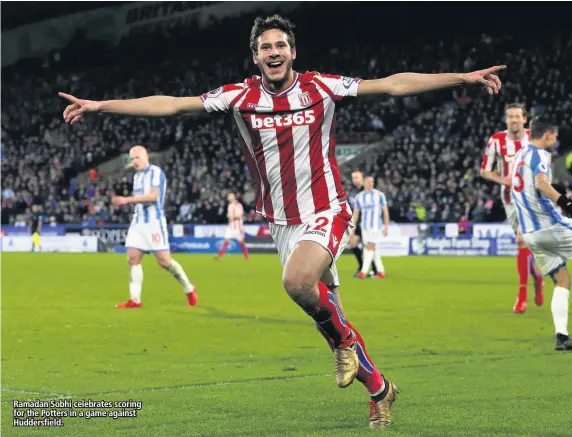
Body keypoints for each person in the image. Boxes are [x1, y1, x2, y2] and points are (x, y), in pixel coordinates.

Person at [59, 14, 504, 428]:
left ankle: (347, 344)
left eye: (281, 45)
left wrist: (462, 78)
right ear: (255, 57)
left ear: (293, 52)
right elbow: (172, 105)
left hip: (328, 208)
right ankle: (380, 389)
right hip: (282, 222)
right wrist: (101, 106)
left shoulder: (321, 86)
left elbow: (391, 85)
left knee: (297, 283)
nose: (273, 52)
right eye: (265, 47)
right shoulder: (241, 96)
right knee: (325, 313)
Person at [510, 116, 572, 350]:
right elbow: (540, 183)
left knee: (562, 279)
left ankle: (562, 337)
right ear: (547, 134)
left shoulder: (519, 156)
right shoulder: (540, 155)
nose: (555, 140)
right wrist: (567, 204)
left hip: (531, 235)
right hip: (550, 226)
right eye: (555, 136)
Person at [112, 146, 198, 309]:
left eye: (137, 157)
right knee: (132, 259)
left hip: (154, 224)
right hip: (138, 223)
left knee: (165, 262)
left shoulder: (156, 172)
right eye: (132, 159)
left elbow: (153, 197)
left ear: (146, 156)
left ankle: (189, 287)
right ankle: (135, 300)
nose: (134, 161)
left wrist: (127, 200)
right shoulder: (137, 177)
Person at [480, 103, 544, 313]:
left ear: (525, 119)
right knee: (525, 247)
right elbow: (484, 171)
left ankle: (522, 296)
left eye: (518, 116)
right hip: (509, 198)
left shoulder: (533, 137)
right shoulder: (496, 141)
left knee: (521, 240)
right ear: (506, 119)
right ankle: (538, 279)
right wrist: (503, 180)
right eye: (510, 117)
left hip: (531, 197)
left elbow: (543, 163)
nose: (514, 120)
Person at [352, 176, 389, 279]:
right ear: (364, 182)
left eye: (372, 182)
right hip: (364, 227)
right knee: (372, 249)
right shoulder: (359, 197)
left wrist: (386, 226)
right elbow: (356, 213)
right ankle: (381, 271)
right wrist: (353, 227)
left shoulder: (379, 195)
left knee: (369, 247)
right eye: (368, 181)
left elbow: (385, 211)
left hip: (375, 227)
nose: (371, 183)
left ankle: (363, 272)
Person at [348, 170, 377, 277]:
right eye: (353, 178)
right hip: (357, 223)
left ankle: (374, 269)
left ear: (362, 178)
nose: (354, 180)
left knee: (368, 246)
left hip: (366, 223)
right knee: (353, 245)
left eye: (356, 177)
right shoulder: (354, 191)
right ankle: (362, 267)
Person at [216, 193, 249, 259]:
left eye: (230, 197)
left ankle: (246, 256)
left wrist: (230, 216)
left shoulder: (238, 205)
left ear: (233, 197)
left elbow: (239, 216)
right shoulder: (230, 205)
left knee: (241, 241)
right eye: (228, 197)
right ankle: (219, 256)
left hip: (237, 227)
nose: (228, 198)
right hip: (231, 226)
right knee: (226, 240)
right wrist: (230, 217)